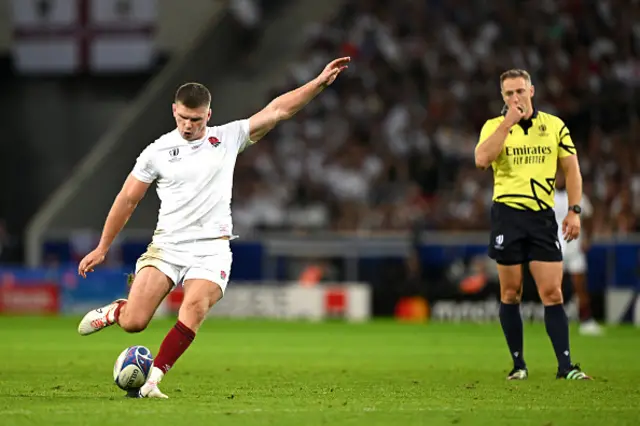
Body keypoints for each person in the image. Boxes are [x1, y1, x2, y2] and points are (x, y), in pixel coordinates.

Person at [76, 56, 351, 398]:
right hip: (168, 246)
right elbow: (127, 199)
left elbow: (279, 110)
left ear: (208, 114)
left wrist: (318, 83)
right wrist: (103, 246)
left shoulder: (229, 137)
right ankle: (119, 310)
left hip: (212, 249)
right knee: (135, 322)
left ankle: (153, 381)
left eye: (194, 119)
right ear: (173, 110)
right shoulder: (156, 152)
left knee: (194, 307)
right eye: (181, 117)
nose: (188, 125)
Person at [474, 69, 591, 381]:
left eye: (520, 91)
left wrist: (574, 211)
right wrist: (507, 124)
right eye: (509, 93)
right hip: (507, 216)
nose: (515, 98)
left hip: (542, 217)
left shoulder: (554, 126)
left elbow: (573, 171)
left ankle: (566, 367)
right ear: (502, 97)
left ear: (532, 91)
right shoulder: (494, 126)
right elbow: (482, 159)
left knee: (552, 292)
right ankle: (518, 365)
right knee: (510, 292)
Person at [554, 172, 603, 335]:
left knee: (580, 286)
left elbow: (589, 216)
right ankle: (556, 322)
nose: (559, 178)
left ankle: (586, 321)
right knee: (553, 289)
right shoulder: (546, 196)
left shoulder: (577, 195)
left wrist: (588, 238)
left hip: (574, 249)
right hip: (554, 250)